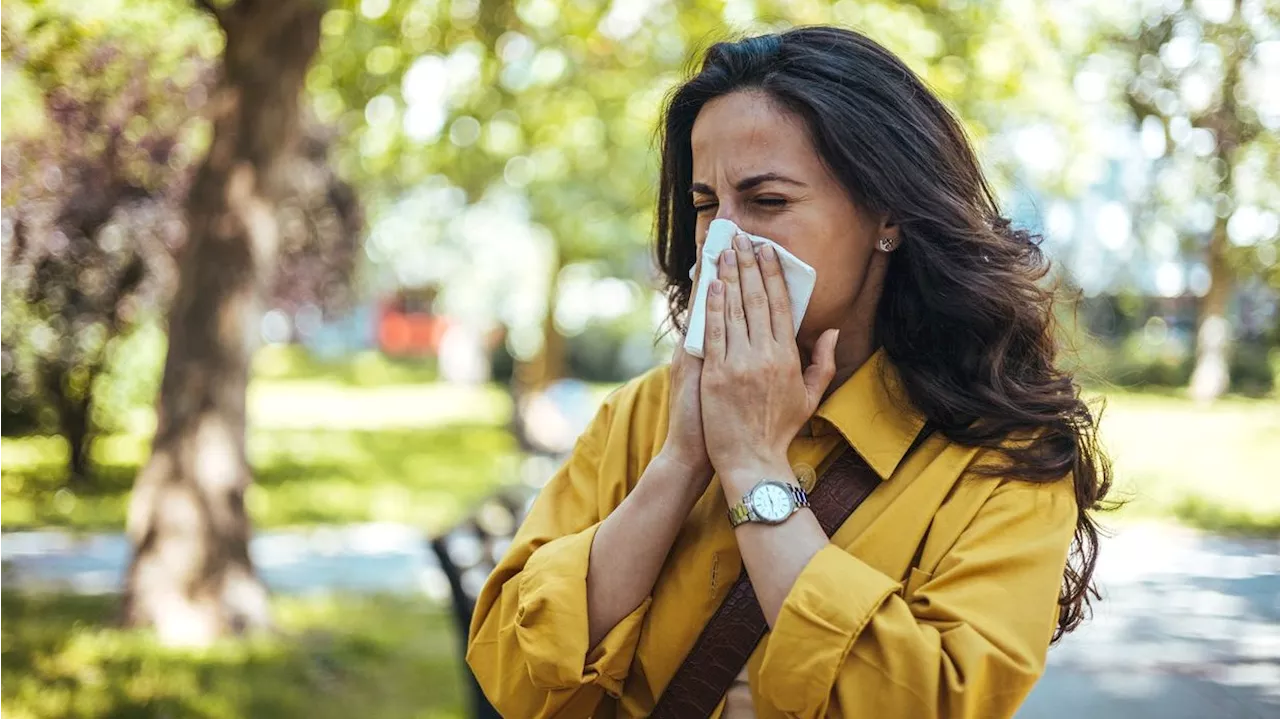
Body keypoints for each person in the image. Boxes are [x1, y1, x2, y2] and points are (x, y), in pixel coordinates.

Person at [467, 26, 1111, 719]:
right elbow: (511, 673)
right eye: (707, 203)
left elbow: (928, 701)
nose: (723, 238)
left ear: (886, 214)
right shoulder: (645, 412)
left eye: (767, 201)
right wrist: (682, 460)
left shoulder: (1002, 460)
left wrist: (752, 467)